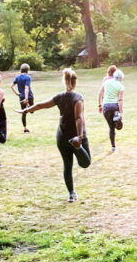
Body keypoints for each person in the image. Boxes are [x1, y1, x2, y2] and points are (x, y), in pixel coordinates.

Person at [23, 67, 90, 201]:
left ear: (64, 81)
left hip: (62, 135)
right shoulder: (78, 97)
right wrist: (80, 137)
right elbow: (78, 118)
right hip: (75, 134)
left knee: (67, 165)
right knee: (85, 163)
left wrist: (26, 110)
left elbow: (42, 105)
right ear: (75, 82)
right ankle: (77, 146)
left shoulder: (60, 97)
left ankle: (71, 194)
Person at [98, 68, 125, 152]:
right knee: (118, 126)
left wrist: (99, 105)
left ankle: (113, 147)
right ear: (121, 78)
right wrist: (121, 112)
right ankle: (118, 120)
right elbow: (120, 100)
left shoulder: (106, 82)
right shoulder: (121, 86)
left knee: (111, 128)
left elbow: (100, 94)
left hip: (106, 107)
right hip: (115, 107)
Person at [11, 63, 35, 133]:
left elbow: (11, 86)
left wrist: (17, 94)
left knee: (24, 113)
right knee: (32, 111)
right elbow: (26, 88)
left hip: (21, 97)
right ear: (28, 70)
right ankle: (25, 129)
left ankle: (25, 128)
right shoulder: (28, 77)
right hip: (29, 96)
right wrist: (26, 99)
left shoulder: (17, 77)